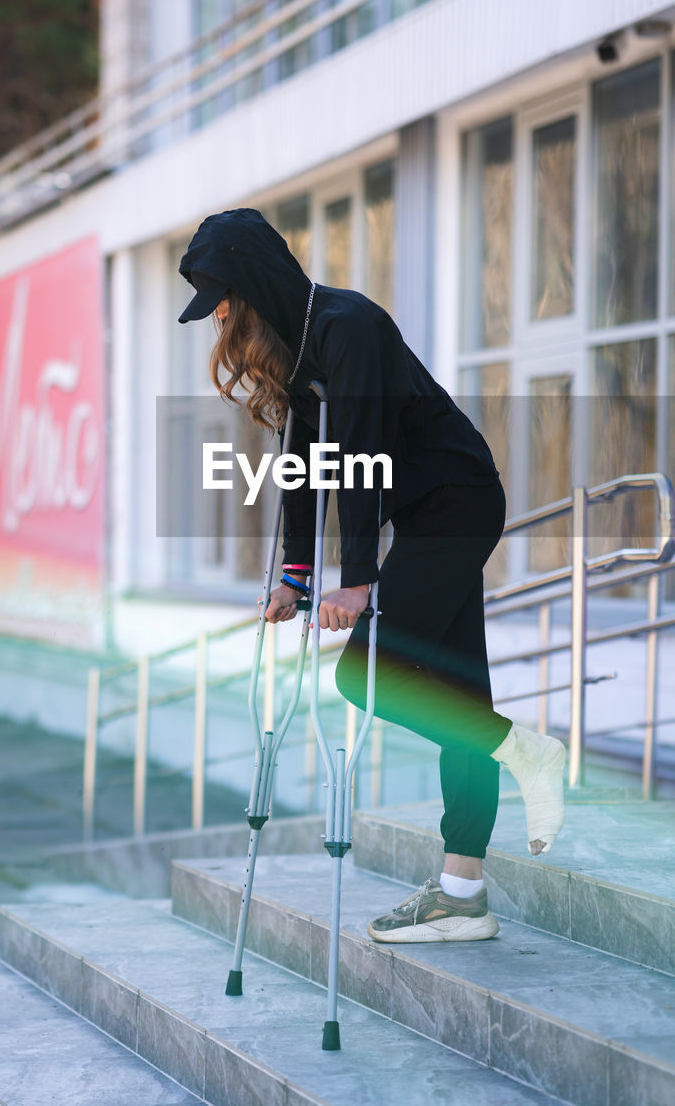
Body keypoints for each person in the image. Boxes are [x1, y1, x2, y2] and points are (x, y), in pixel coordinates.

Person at [178, 207, 565, 944]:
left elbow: (357, 460)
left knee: (364, 678)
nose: (220, 315)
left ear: (255, 281)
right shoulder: (299, 349)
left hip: (455, 502)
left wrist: (356, 579)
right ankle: (462, 894)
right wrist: (294, 574)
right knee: (457, 697)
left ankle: (524, 751)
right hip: (421, 517)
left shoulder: (346, 327)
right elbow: (303, 470)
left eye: (224, 297)